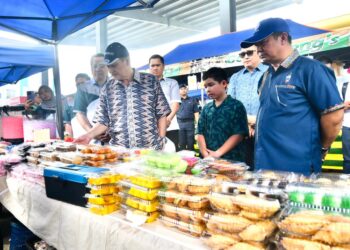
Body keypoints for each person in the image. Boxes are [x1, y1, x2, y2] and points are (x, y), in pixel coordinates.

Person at [241, 18, 344, 174]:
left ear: (283, 38)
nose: (258, 48)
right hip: (265, 165)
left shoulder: (311, 70)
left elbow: (334, 117)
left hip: (296, 167)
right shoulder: (265, 76)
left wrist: (321, 148)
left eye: (263, 42)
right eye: (257, 44)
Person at [74, 42, 171, 149]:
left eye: (114, 65)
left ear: (127, 60)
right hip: (120, 152)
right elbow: (102, 121)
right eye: (109, 67)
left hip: (150, 150)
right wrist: (88, 136)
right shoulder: (108, 88)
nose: (111, 70)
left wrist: (161, 140)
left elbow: (161, 114)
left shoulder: (150, 81)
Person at [228, 45, 268, 169]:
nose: (245, 56)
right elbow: (231, 104)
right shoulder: (236, 77)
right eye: (242, 54)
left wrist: (257, 123)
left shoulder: (270, 72)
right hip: (242, 131)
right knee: (244, 168)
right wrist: (246, 123)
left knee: (265, 169)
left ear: (259, 52)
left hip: (265, 129)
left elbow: (272, 104)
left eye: (249, 53)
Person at [197, 67, 248, 161]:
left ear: (224, 83)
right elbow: (200, 132)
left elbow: (239, 134)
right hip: (209, 160)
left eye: (211, 85)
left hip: (232, 159)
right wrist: (205, 154)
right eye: (205, 87)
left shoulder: (236, 106)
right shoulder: (206, 108)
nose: (207, 89)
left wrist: (218, 153)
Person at [72, 54, 108, 139]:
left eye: (102, 66)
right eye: (95, 66)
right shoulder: (83, 88)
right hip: (92, 139)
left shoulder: (116, 86)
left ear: (108, 67)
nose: (98, 69)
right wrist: (92, 133)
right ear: (91, 68)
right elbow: (80, 113)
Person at [149, 54, 181, 151]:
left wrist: (167, 120)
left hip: (170, 126)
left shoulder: (172, 83)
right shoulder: (144, 86)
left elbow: (175, 105)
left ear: (163, 66)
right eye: (152, 66)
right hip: (151, 129)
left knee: (170, 156)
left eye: (158, 65)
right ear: (149, 67)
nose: (155, 68)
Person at [333, 60, 350, 173]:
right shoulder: (343, 85)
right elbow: (335, 106)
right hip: (347, 126)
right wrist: (343, 106)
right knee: (348, 159)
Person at [63, 73, 91, 138]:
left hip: (96, 139)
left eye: (83, 83)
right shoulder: (69, 101)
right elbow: (68, 124)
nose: (80, 86)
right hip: (79, 140)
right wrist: (68, 140)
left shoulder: (97, 97)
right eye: (78, 84)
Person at [177, 83, 199, 150]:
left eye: (185, 89)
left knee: (191, 143)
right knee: (181, 143)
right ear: (178, 91)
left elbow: (196, 113)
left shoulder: (192, 100)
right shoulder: (177, 101)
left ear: (187, 90)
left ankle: (192, 159)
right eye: (181, 89)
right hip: (179, 124)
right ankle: (182, 159)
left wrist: (198, 124)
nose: (183, 90)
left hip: (190, 123)